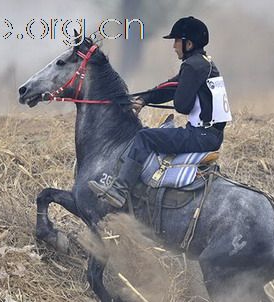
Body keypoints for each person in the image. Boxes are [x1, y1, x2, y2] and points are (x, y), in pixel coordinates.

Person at [88, 16, 232, 208]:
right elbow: (171, 86)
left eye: (176, 41)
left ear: (188, 44)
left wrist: (179, 91)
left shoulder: (191, 66)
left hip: (201, 136)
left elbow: (182, 105)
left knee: (144, 137)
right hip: (211, 134)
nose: (174, 47)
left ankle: (119, 190)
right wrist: (144, 99)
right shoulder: (204, 63)